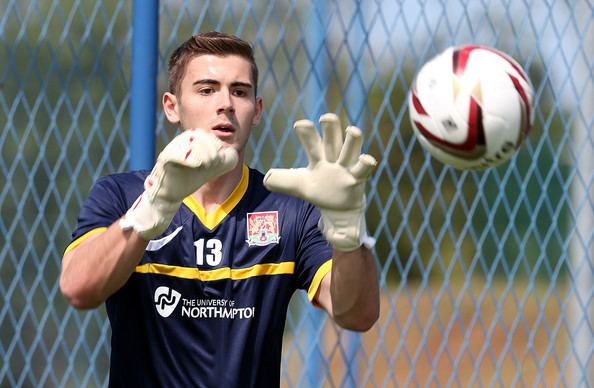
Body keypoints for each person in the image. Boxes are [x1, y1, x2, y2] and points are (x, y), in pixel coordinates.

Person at [60, 31, 379, 387]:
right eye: (206, 89)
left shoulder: (290, 211)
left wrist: (348, 232)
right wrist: (152, 209)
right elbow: (78, 288)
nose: (225, 103)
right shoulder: (121, 195)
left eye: (239, 91)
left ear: (256, 111)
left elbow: (358, 314)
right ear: (171, 106)